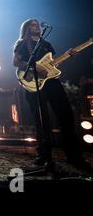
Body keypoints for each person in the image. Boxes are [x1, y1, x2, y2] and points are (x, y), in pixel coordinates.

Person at [13, 18, 90, 170]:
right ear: (27, 28)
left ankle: (74, 156)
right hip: (34, 85)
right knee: (42, 120)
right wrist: (35, 66)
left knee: (66, 115)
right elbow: (17, 62)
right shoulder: (22, 44)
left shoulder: (46, 44)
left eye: (37, 24)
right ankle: (43, 156)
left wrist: (68, 55)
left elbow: (53, 63)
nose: (37, 26)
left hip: (52, 82)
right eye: (33, 24)